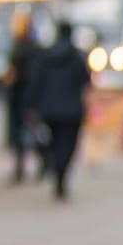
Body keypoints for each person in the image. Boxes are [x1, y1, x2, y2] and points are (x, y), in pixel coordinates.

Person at [25, 21, 90, 201]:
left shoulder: (45, 56)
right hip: (72, 110)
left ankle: (56, 168)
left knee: (53, 142)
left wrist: (31, 105)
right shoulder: (76, 56)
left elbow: (35, 82)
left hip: (48, 108)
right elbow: (86, 80)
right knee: (68, 145)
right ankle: (61, 171)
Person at [3, 11, 42, 183]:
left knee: (25, 132)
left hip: (21, 95)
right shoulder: (32, 47)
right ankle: (39, 164)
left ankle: (24, 167)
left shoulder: (21, 47)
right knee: (31, 131)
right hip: (27, 95)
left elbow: (14, 73)